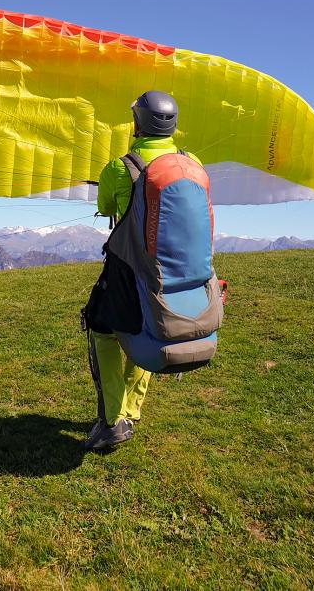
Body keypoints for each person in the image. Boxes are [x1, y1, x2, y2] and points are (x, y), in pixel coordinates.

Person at [84, 91, 202, 451]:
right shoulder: (192, 162)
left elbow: (106, 206)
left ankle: (113, 420)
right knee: (154, 327)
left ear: (138, 123)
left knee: (100, 327)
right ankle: (132, 410)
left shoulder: (122, 167)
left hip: (128, 270)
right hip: (176, 271)